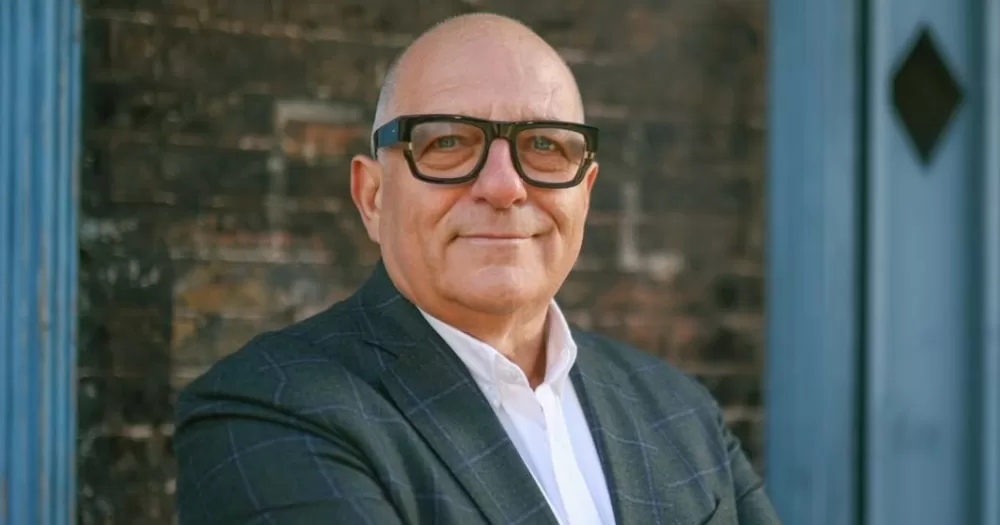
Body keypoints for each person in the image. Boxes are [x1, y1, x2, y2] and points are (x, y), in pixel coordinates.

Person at [173, 12, 781, 525]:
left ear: (585, 193)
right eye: (446, 142)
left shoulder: (680, 408)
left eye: (544, 146)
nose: (504, 186)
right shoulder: (268, 407)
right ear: (373, 197)